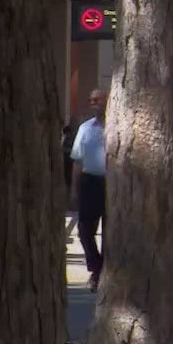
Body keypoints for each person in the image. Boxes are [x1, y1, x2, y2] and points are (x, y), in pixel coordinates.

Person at [71, 88, 107, 290]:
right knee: (85, 231)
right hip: (89, 182)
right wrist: (74, 190)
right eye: (92, 100)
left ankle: (103, 274)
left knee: (111, 232)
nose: (95, 103)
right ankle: (97, 267)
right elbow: (77, 160)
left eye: (98, 99)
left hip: (111, 185)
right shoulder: (85, 128)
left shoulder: (118, 126)